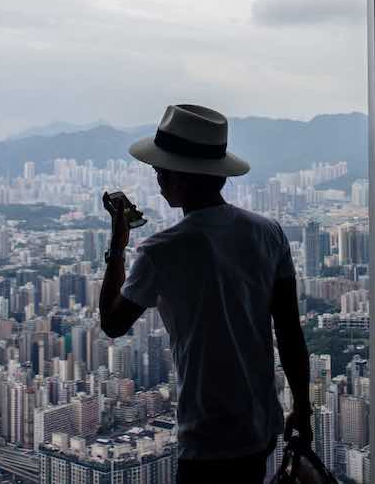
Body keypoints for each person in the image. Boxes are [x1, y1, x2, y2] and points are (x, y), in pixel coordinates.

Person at [99, 103, 312, 484]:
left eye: (161, 170)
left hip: (206, 435)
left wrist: (118, 242)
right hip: (260, 425)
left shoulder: (161, 250)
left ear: (182, 176)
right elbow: (290, 332)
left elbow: (113, 323)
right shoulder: (269, 233)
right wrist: (303, 406)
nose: (158, 178)